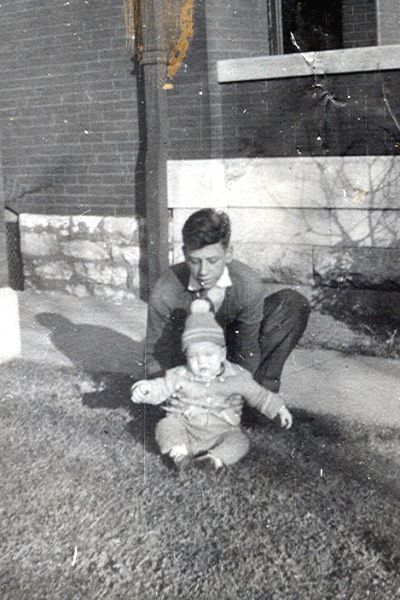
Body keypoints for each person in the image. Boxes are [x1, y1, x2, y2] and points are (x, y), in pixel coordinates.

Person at [144, 208, 310, 394]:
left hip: (232, 354)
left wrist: (236, 393)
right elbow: (155, 356)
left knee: (292, 304)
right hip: (191, 362)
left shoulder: (247, 284)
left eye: (212, 260)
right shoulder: (166, 290)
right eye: (195, 261)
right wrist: (168, 392)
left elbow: (247, 349)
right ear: (184, 253)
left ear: (228, 253)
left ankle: (261, 393)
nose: (203, 271)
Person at [132, 299, 293, 469]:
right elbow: (161, 387)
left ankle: (213, 459)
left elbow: (259, 395)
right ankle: (179, 455)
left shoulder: (237, 377)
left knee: (240, 441)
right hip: (185, 426)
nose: (202, 362)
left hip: (222, 431)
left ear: (222, 354)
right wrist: (145, 390)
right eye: (194, 356)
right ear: (186, 356)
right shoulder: (179, 375)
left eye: (209, 355)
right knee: (166, 426)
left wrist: (279, 409)